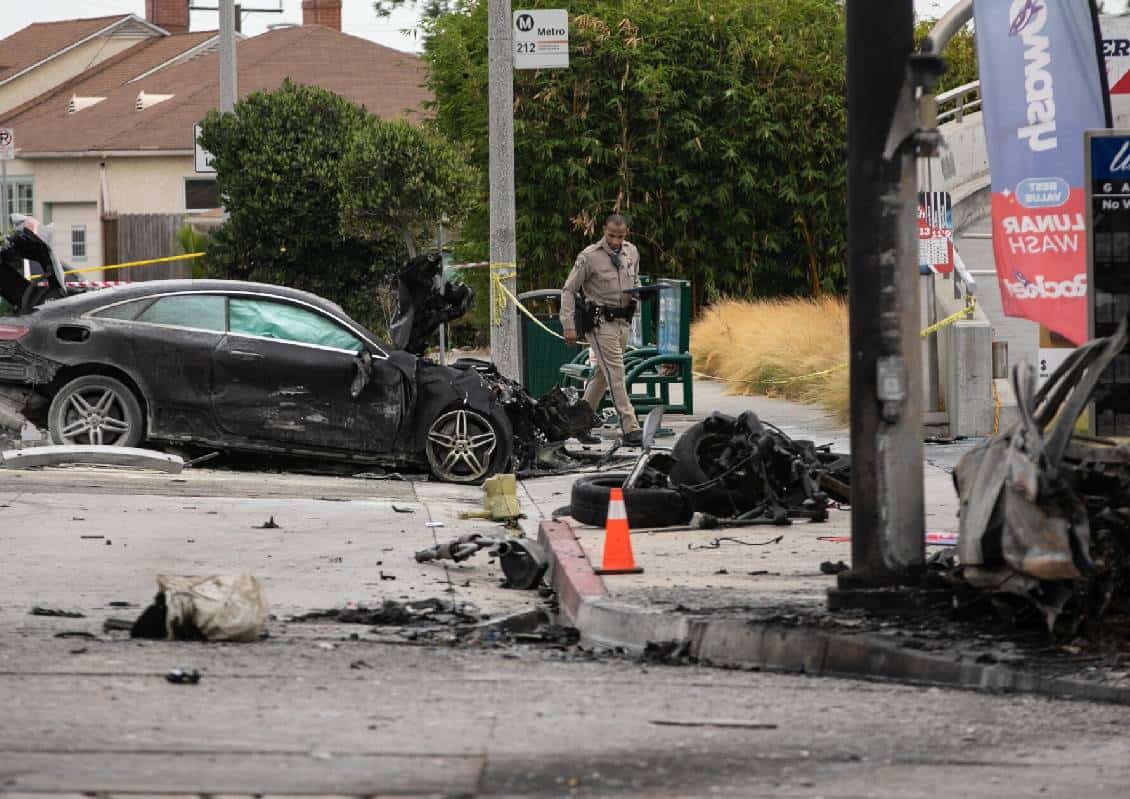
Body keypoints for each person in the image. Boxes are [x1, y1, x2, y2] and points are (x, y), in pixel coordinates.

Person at [560, 214, 643, 446]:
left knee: (602, 375)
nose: (615, 241)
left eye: (620, 236)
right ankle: (630, 426)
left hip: (622, 322)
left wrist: (641, 294)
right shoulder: (589, 257)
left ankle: (578, 423)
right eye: (611, 236)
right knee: (616, 372)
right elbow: (568, 290)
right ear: (603, 231)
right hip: (599, 322)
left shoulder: (631, 252)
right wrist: (568, 325)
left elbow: (634, 282)